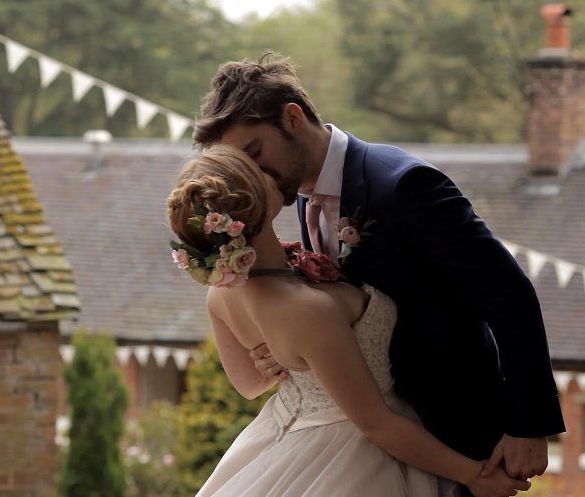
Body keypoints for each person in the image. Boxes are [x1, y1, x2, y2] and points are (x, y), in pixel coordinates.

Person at [191, 53, 565, 496]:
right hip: (376, 444)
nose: (254, 175)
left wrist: (528, 423)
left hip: (456, 421)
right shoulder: (296, 196)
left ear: (292, 118)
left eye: (255, 153)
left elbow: (508, 294)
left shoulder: (404, 186)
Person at [168, 145, 528, 497]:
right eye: (259, 171)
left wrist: (285, 357)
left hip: (282, 441)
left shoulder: (221, 294)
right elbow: (377, 423)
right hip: (352, 453)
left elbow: (248, 384)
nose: (271, 171)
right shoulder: (308, 310)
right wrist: (475, 476)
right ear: (253, 203)